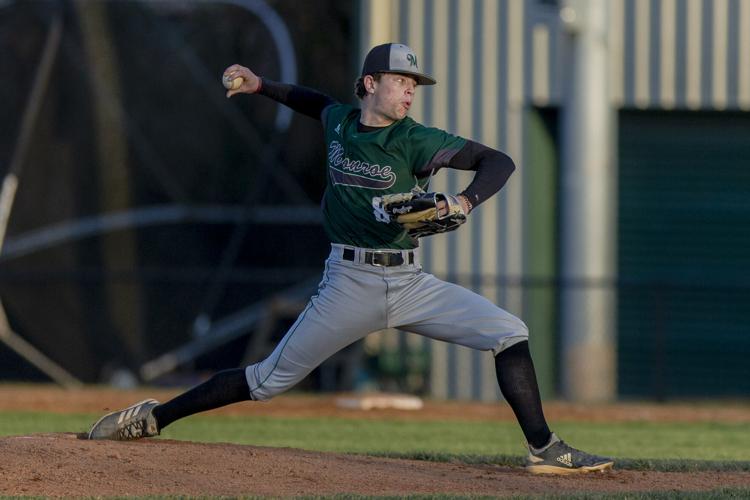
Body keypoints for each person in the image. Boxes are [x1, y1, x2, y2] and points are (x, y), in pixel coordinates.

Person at [87, 43, 613, 475]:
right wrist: (260, 84)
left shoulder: (416, 140)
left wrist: (462, 199)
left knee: (508, 331)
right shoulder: (340, 121)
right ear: (369, 85)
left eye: (414, 84)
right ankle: (154, 418)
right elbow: (310, 101)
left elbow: (498, 161)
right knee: (267, 381)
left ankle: (543, 449)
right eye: (400, 80)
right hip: (349, 282)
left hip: (411, 284)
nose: (410, 90)